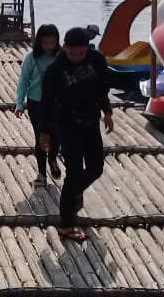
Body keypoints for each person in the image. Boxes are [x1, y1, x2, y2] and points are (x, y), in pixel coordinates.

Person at [39, 27, 114, 242]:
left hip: (90, 121)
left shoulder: (97, 60)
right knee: (73, 171)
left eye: (80, 53)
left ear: (86, 49)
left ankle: (74, 193)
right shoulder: (55, 70)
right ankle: (65, 225)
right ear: (64, 48)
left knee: (96, 167)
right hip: (66, 124)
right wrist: (44, 132)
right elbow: (46, 102)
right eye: (72, 53)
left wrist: (107, 111)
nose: (76, 58)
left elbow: (102, 88)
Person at [14, 24, 62, 186]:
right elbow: (23, 81)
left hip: (57, 103)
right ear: (40, 42)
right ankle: (41, 173)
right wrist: (19, 103)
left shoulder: (61, 57)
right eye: (45, 43)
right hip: (36, 103)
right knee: (40, 136)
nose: (49, 46)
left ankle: (53, 159)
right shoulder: (31, 58)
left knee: (57, 134)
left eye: (52, 43)